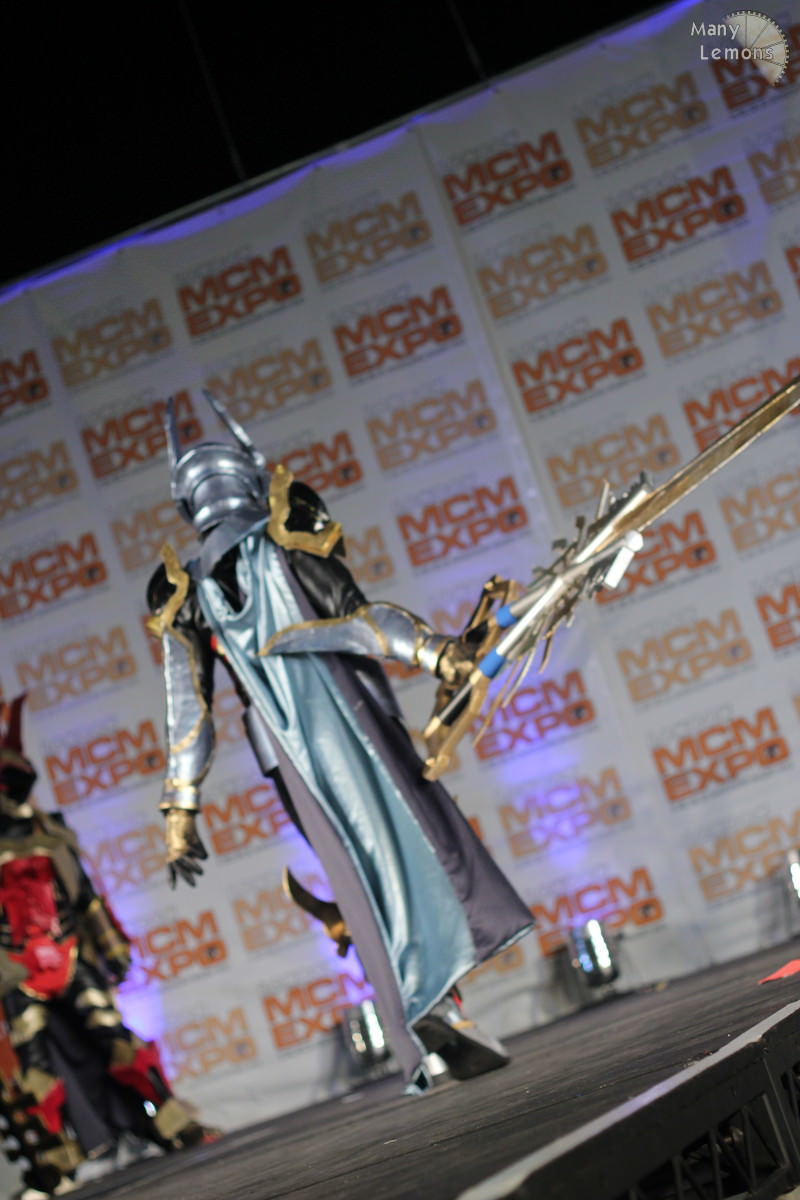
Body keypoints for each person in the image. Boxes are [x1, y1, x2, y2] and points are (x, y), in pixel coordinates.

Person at [146, 390, 534, 1093]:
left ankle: (427, 1025)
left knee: (360, 885)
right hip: (347, 724)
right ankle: (435, 1006)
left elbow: (189, 711)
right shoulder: (285, 529)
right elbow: (359, 619)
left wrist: (181, 808)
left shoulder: (184, 588)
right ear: (249, 474)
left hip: (285, 756)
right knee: (411, 859)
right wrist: (437, 653)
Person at [0, 695, 209, 1200]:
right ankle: (54, 1164)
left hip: (70, 955)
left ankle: (170, 1123)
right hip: (16, 970)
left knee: (118, 1042)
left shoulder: (52, 834)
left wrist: (112, 948)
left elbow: (85, 897)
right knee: (34, 1071)